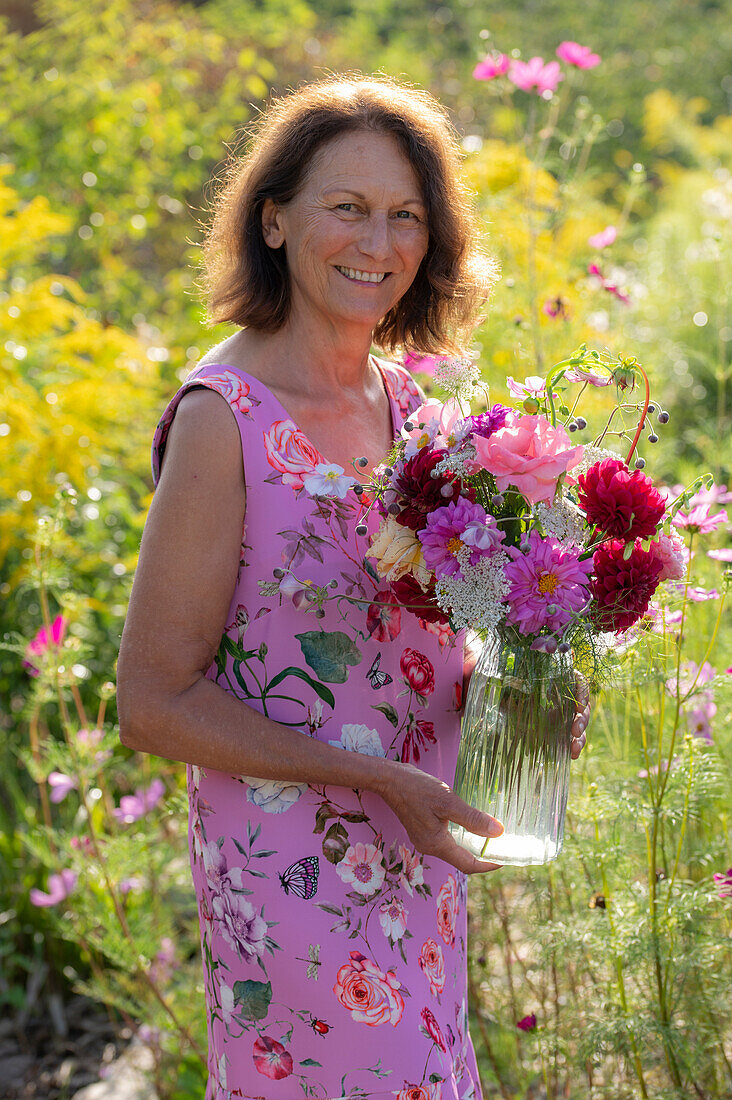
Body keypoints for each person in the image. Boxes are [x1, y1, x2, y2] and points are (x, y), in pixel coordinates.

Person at [117, 75, 590, 1100]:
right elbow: (152, 701)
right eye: (348, 206)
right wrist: (377, 780)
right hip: (292, 876)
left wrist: (525, 702)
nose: (378, 239)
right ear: (274, 219)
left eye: (405, 214)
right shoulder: (224, 417)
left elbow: (415, 642)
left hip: (419, 864)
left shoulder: (413, 407)